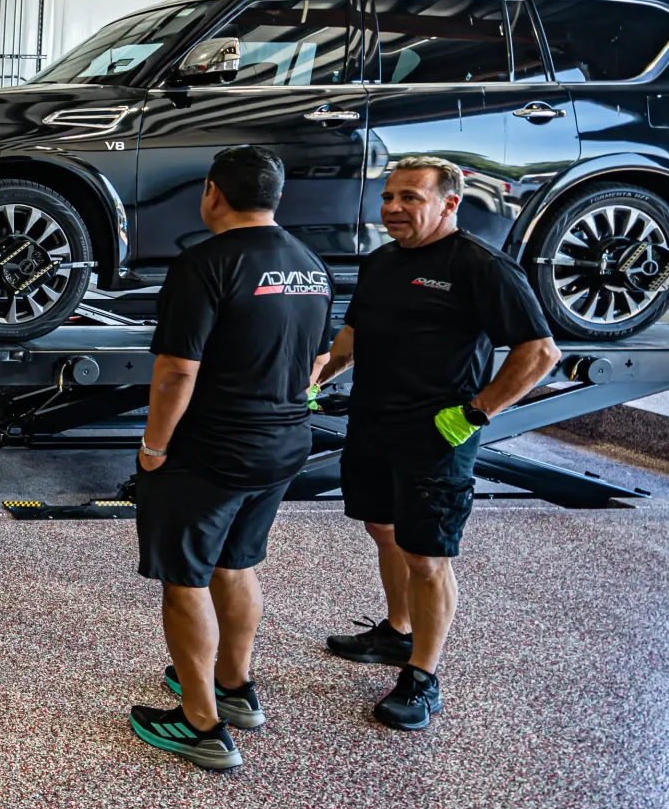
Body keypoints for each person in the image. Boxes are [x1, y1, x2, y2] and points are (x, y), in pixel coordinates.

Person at [312, 156, 560, 731]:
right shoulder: (381, 262)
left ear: (450, 203)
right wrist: (321, 371)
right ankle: (398, 632)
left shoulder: (481, 267)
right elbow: (353, 334)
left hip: (438, 433)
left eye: (410, 199)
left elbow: (540, 352)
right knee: (383, 529)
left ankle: (423, 676)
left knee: (427, 555)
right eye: (388, 196)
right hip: (374, 421)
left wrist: (475, 413)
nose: (393, 208)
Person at [127, 146, 335, 771]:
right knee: (237, 561)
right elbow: (319, 360)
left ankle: (202, 725)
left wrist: (154, 447)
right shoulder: (309, 264)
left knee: (185, 577)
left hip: (212, 448)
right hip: (283, 443)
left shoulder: (204, 263)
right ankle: (235, 688)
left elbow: (175, 372)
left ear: (213, 193)